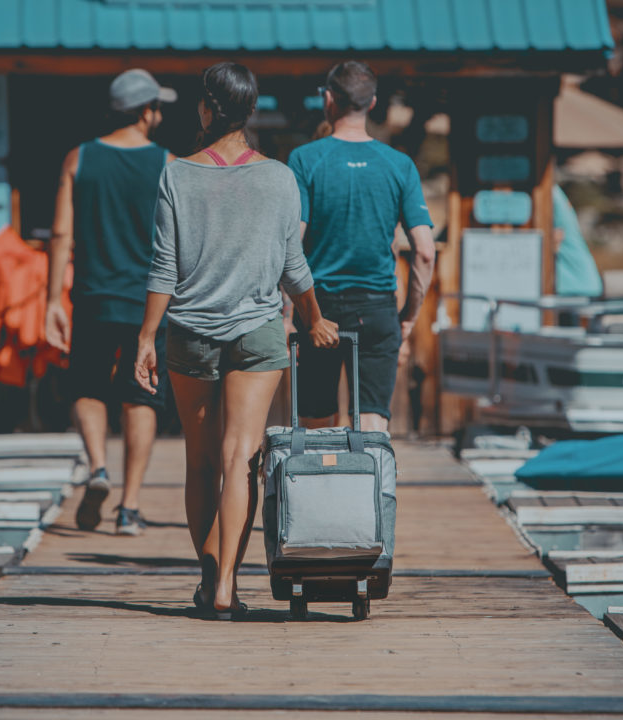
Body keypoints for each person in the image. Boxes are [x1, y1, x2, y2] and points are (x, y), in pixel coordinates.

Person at [134, 62, 338, 618]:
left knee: (199, 463)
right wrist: (314, 317)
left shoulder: (177, 175)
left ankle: (205, 578)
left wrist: (146, 337)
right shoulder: (278, 177)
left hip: (191, 333)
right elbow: (294, 265)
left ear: (205, 109)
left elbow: (163, 268)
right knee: (240, 459)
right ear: (251, 113)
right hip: (257, 332)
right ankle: (227, 585)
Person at [46, 69, 176, 536]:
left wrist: (51, 302)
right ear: (146, 112)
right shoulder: (169, 163)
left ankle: (98, 467)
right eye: (157, 107)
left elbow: (61, 235)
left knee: (87, 386)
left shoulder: (79, 159)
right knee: (142, 394)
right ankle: (130, 507)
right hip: (150, 304)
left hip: (93, 297)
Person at [287, 61, 436, 432]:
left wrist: (287, 312)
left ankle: (320, 489)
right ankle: (375, 491)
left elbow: (291, 242)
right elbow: (424, 251)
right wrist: (410, 316)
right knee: (372, 425)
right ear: (372, 104)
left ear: (328, 100)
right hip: (378, 307)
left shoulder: (305, 160)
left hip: (318, 308)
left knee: (316, 424)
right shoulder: (399, 165)